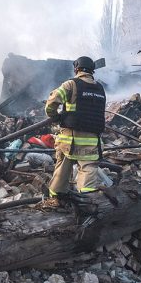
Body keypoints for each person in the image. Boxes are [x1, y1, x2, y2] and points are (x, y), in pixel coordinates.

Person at [43, 56, 106, 208]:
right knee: (88, 171)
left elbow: (52, 101)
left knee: (62, 170)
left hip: (69, 140)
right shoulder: (100, 88)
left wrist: (55, 116)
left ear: (76, 69)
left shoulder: (71, 84)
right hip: (92, 140)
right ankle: (87, 204)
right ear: (92, 71)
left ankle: (56, 200)